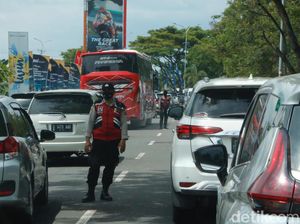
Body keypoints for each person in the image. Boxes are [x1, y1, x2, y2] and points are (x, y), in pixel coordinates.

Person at [82, 83, 128, 203]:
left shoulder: (120, 107)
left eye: (109, 91)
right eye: (105, 91)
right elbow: (90, 123)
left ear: (113, 92)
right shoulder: (96, 106)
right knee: (94, 167)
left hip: (113, 143)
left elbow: (123, 124)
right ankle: (90, 193)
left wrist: (123, 140)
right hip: (98, 142)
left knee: (110, 168)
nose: (107, 93)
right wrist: (87, 140)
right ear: (102, 92)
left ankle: (105, 192)